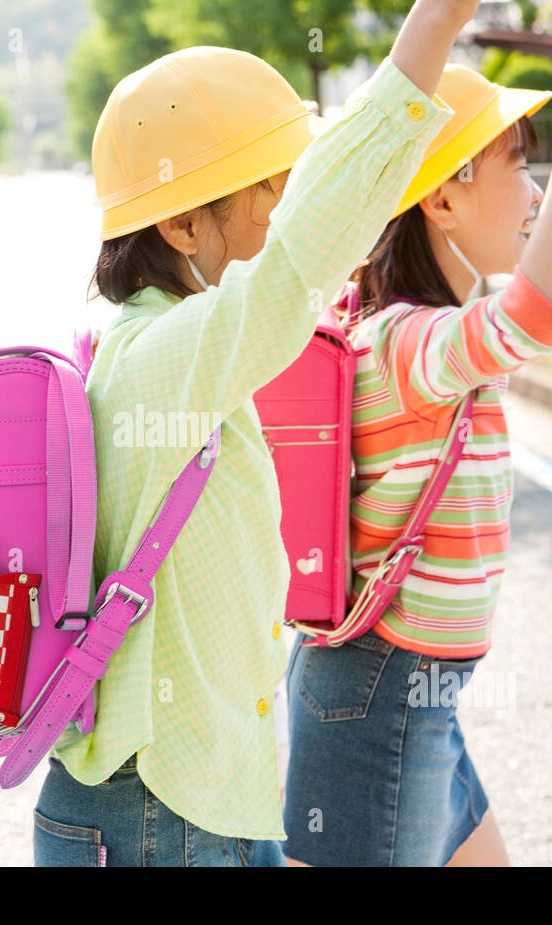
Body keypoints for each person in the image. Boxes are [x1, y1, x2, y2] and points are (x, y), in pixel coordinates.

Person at [30, 0, 486, 867]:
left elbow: (312, 247)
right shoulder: (165, 355)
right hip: (164, 811)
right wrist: (429, 30)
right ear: (180, 225)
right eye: (273, 191)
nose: (294, 210)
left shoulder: (167, 347)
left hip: (184, 799)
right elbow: (305, 260)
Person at [282, 0, 552, 867]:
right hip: (383, 694)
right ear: (444, 196)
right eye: (518, 165)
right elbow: (544, 311)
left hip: (407, 692)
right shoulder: (407, 340)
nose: (532, 190)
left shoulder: (410, 327)